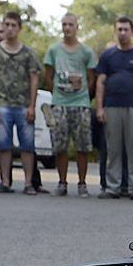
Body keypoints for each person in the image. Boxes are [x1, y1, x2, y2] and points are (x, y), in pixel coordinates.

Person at [95, 16, 133, 199]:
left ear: (132, 32)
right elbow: (100, 82)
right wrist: (99, 108)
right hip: (111, 107)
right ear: (115, 31)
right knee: (113, 149)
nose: (122, 33)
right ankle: (113, 187)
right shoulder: (107, 56)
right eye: (119, 29)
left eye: (126, 29)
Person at [0, 11, 40, 194]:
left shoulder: (28, 53)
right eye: (6, 25)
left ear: (19, 28)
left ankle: (28, 183)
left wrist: (32, 105)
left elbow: (34, 79)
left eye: (13, 25)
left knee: (27, 146)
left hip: (24, 105)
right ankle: (5, 182)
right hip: (2, 103)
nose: (9, 29)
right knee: (3, 145)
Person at [43, 13, 97, 197]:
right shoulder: (53, 50)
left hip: (81, 103)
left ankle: (82, 183)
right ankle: (62, 182)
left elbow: (91, 79)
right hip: (59, 103)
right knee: (60, 146)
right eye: (64, 24)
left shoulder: (86, 52)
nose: (67, 28)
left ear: (77, 27)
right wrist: (57, 93)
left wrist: (82, 95)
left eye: (70, 25)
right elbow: (48, 76)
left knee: (83, 146)